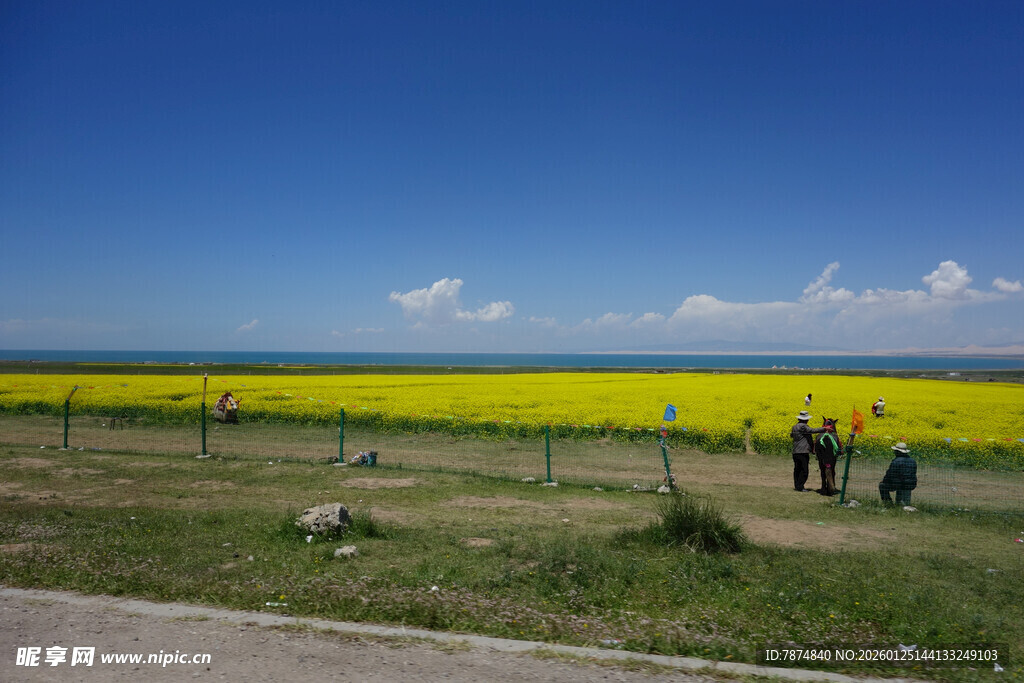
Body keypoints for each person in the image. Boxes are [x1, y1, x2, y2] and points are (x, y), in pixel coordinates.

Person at [790, 410, 826, 492]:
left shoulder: (794, 426)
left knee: (797, 469)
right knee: (804, 470)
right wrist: (824, 429)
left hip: (796, 451)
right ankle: (800, 486)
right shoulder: (803, 426)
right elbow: (812, 430)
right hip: (802, 451)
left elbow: (792, 435)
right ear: (805, 419)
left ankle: (797, 485)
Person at [814, 418, 842, 495]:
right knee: (831, 468)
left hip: (821, 455)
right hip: (832, 456)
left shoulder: (819, 435)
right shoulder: (834, 436)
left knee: (822, 469)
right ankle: (832, 487)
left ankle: (823, 487)